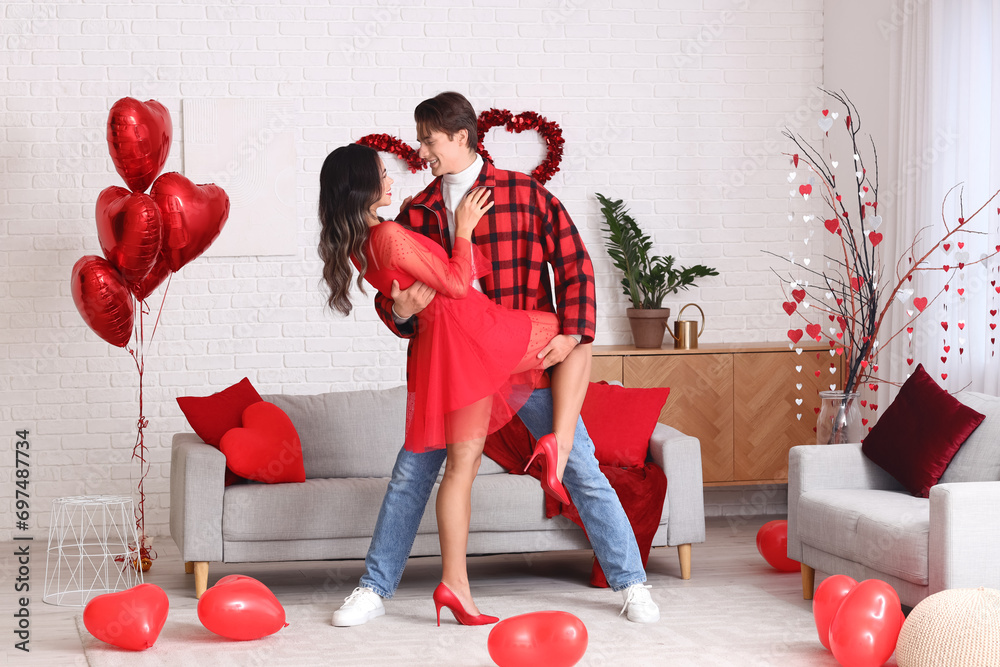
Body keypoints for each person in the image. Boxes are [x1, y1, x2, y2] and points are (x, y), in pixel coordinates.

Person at [332, 92, 659, 627]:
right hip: (453, 369)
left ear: (461, 137)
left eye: (428, 140)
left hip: (522, 364)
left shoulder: (528, 195)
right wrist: (399, 311)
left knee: (580, 466)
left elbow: (575, 265)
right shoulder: (417, 212)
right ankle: (374, 587)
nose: (421, 151)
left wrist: (573, 335)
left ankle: (632, 582)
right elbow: (394, 296)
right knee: (411, 476)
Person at [318, 143, 592, 625]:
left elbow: (414, 294)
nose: (391, 179)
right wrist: (463, 229)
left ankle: (456, 588)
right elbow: (456, 284)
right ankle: (559, 446)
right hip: (476, 334)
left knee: (460, 469)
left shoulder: (362, 245)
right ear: (361, 186)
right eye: (382, 174)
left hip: (444, 355)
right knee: (570, 332)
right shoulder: (386, 234)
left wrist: (405, 306)